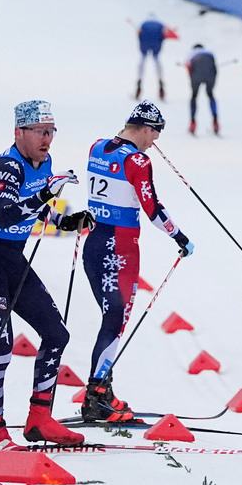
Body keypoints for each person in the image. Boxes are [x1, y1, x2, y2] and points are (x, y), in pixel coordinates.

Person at [0, 100, 95, 449]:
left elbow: (36, 209)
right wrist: (46, 192)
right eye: (39, 131)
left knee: (56, 334)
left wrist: (64, 220)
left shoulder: (44, 163)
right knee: (1, 348)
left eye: (51, 131)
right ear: (19, 132)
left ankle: (39, 419)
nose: (46, 139)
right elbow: (7, 215)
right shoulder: (6, 167)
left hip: (13, 261)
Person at [80, 100, 194, 421]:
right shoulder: (138, 160)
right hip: (120, 249)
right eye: (155, 133)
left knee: (111, 319)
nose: (155, 141)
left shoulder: (97, 147)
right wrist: (179, 236)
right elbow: (152, 208)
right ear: (145, 128)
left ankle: (100, 392)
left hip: (94, 244)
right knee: (115, 320)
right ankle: (97, 396)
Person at [132, 17, 169, 100]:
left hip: (145, 44)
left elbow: (139, 35)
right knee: (157, 61)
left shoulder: (143, 24)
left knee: (142, 61)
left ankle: (139, 85)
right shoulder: (160, 25)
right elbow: (163, 36)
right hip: (156, 45)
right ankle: (161, 86)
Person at [186, 43, 218, 135]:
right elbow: (214, 67)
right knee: (210, 94)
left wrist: (192, 78)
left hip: (196, 74)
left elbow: (188, 67)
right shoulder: (209, 52)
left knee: (194, 96)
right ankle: (215, 121)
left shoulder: (191, 53)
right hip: (210, 74)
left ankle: (192, 122)